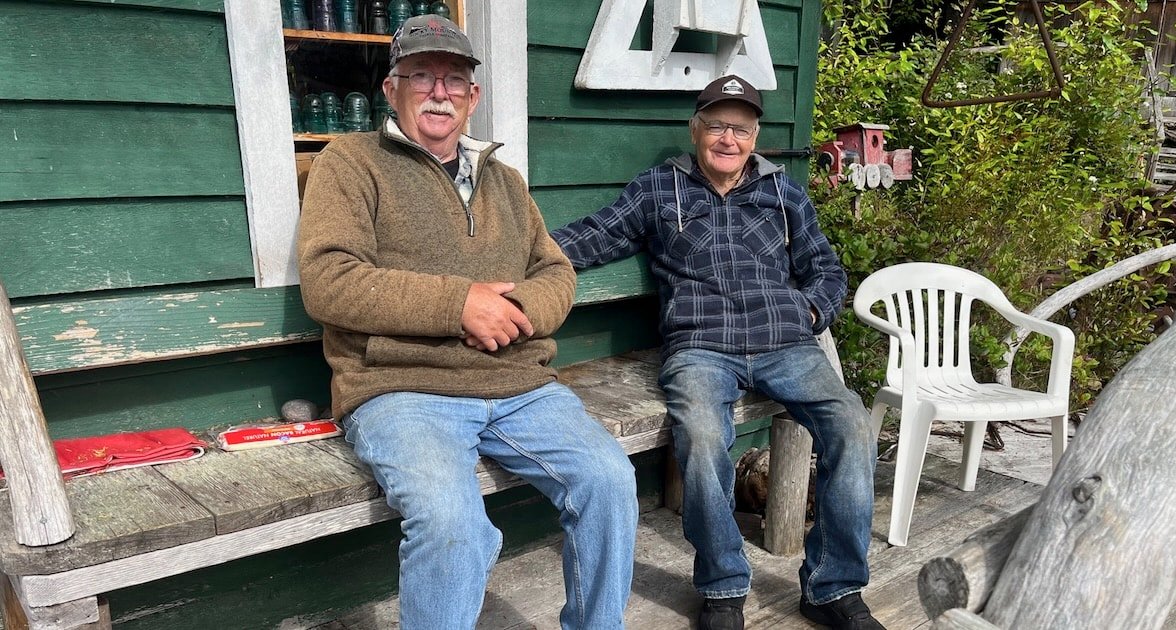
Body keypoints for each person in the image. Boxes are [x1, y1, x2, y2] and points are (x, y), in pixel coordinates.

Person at [297, 15, 638, 629]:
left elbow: (555, 272)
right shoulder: (349, 162)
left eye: (454, 80)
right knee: (453, 524)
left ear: (473, 97)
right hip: (402, 390)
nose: (439, 92)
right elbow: (329, 281)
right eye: (421, 75)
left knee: (610, 482)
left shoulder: (505, 181)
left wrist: (515, 314)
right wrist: (460, 306)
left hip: (519, 388)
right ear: (391, 88)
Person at [551, 75, 883, 630]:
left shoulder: (783, 192)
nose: (729, 138)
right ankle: (724, 585)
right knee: (703, 441)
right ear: (695, 129)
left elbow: (825, 268)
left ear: (755, 136)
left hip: (786, 345)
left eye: (742, 128)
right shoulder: (660, 188)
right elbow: (596, 234)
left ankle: (832, 586)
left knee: (852, 426)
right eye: (717, 125)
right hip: (701, 347)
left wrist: (810, 311)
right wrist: (519, 252)